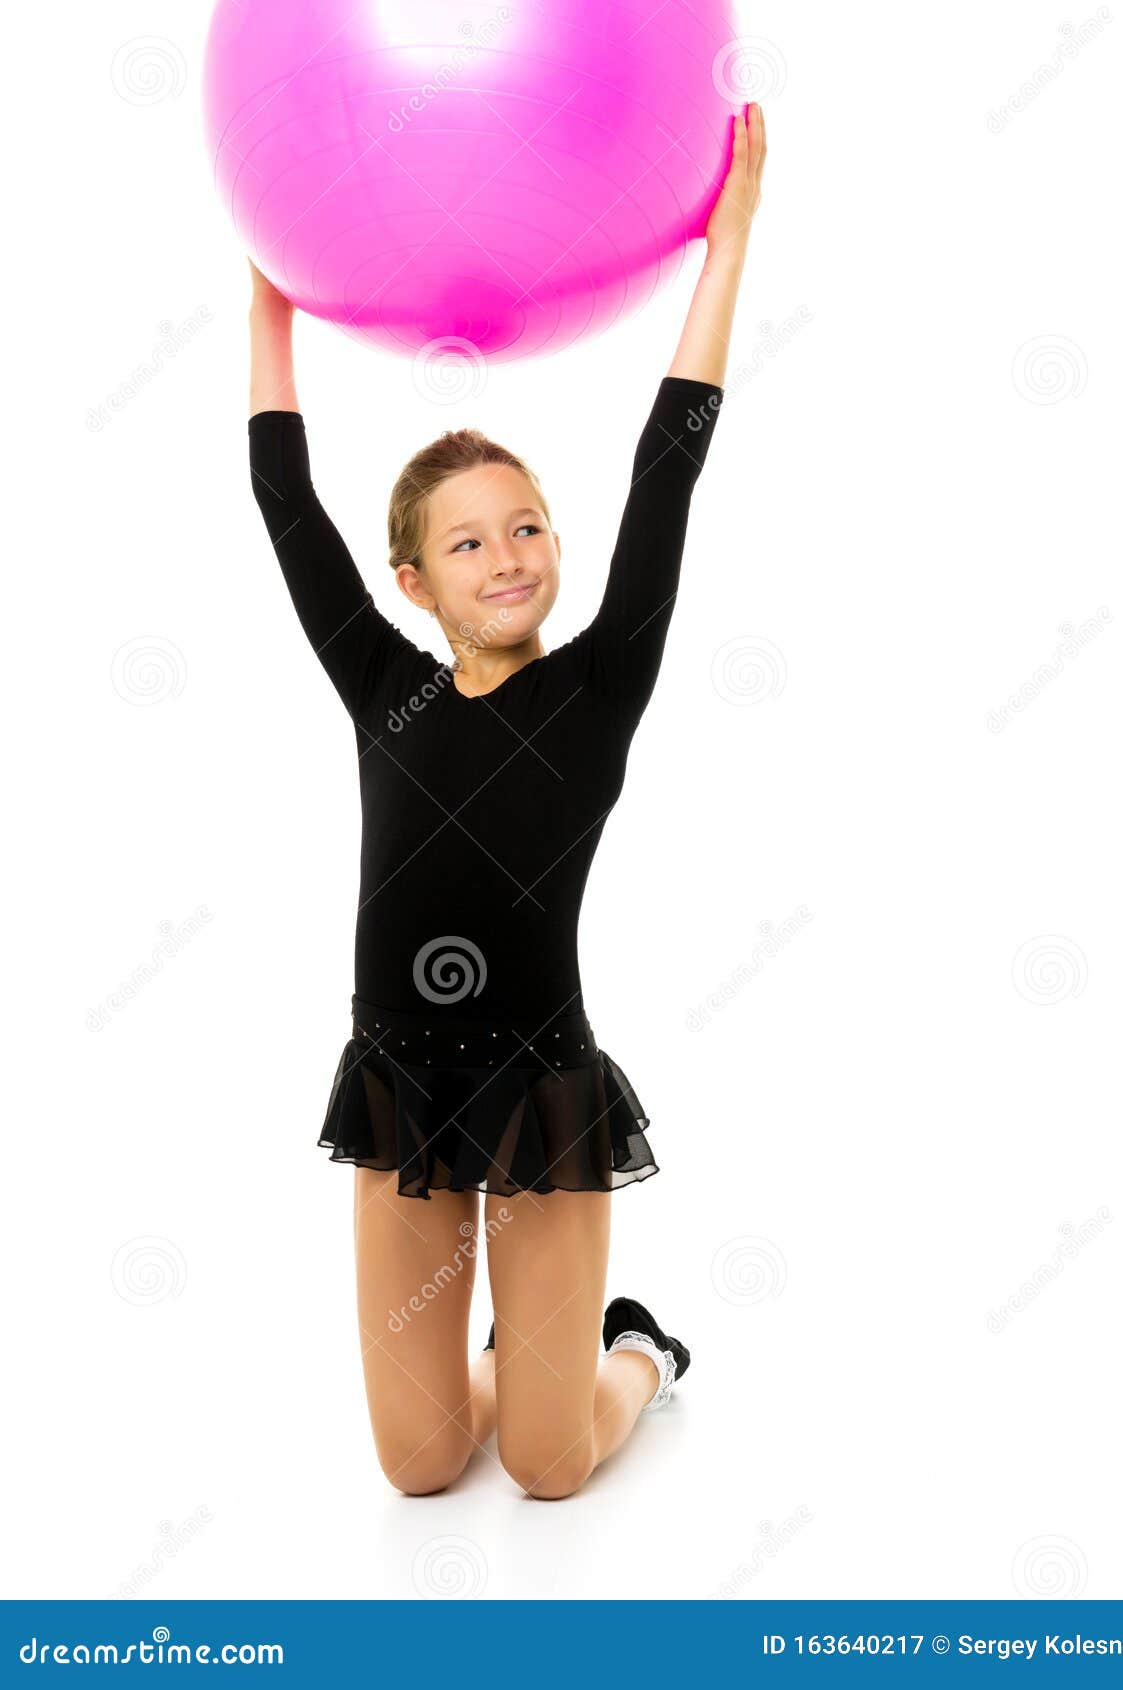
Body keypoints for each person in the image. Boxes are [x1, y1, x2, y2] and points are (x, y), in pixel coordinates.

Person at [246, 106, 766, 1499]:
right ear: (414, 580)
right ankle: (505, 1352)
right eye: (468, 539)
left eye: (527, 524)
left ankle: (631, 1348)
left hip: (541, 1097)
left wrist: (726, 249)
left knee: (546, 1466)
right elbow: (281, 493)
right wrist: (266, 283)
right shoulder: (385, 686)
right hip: (402, 1092)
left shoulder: (597, 689)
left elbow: (671, 463)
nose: (509, 553)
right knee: (421, 1468)